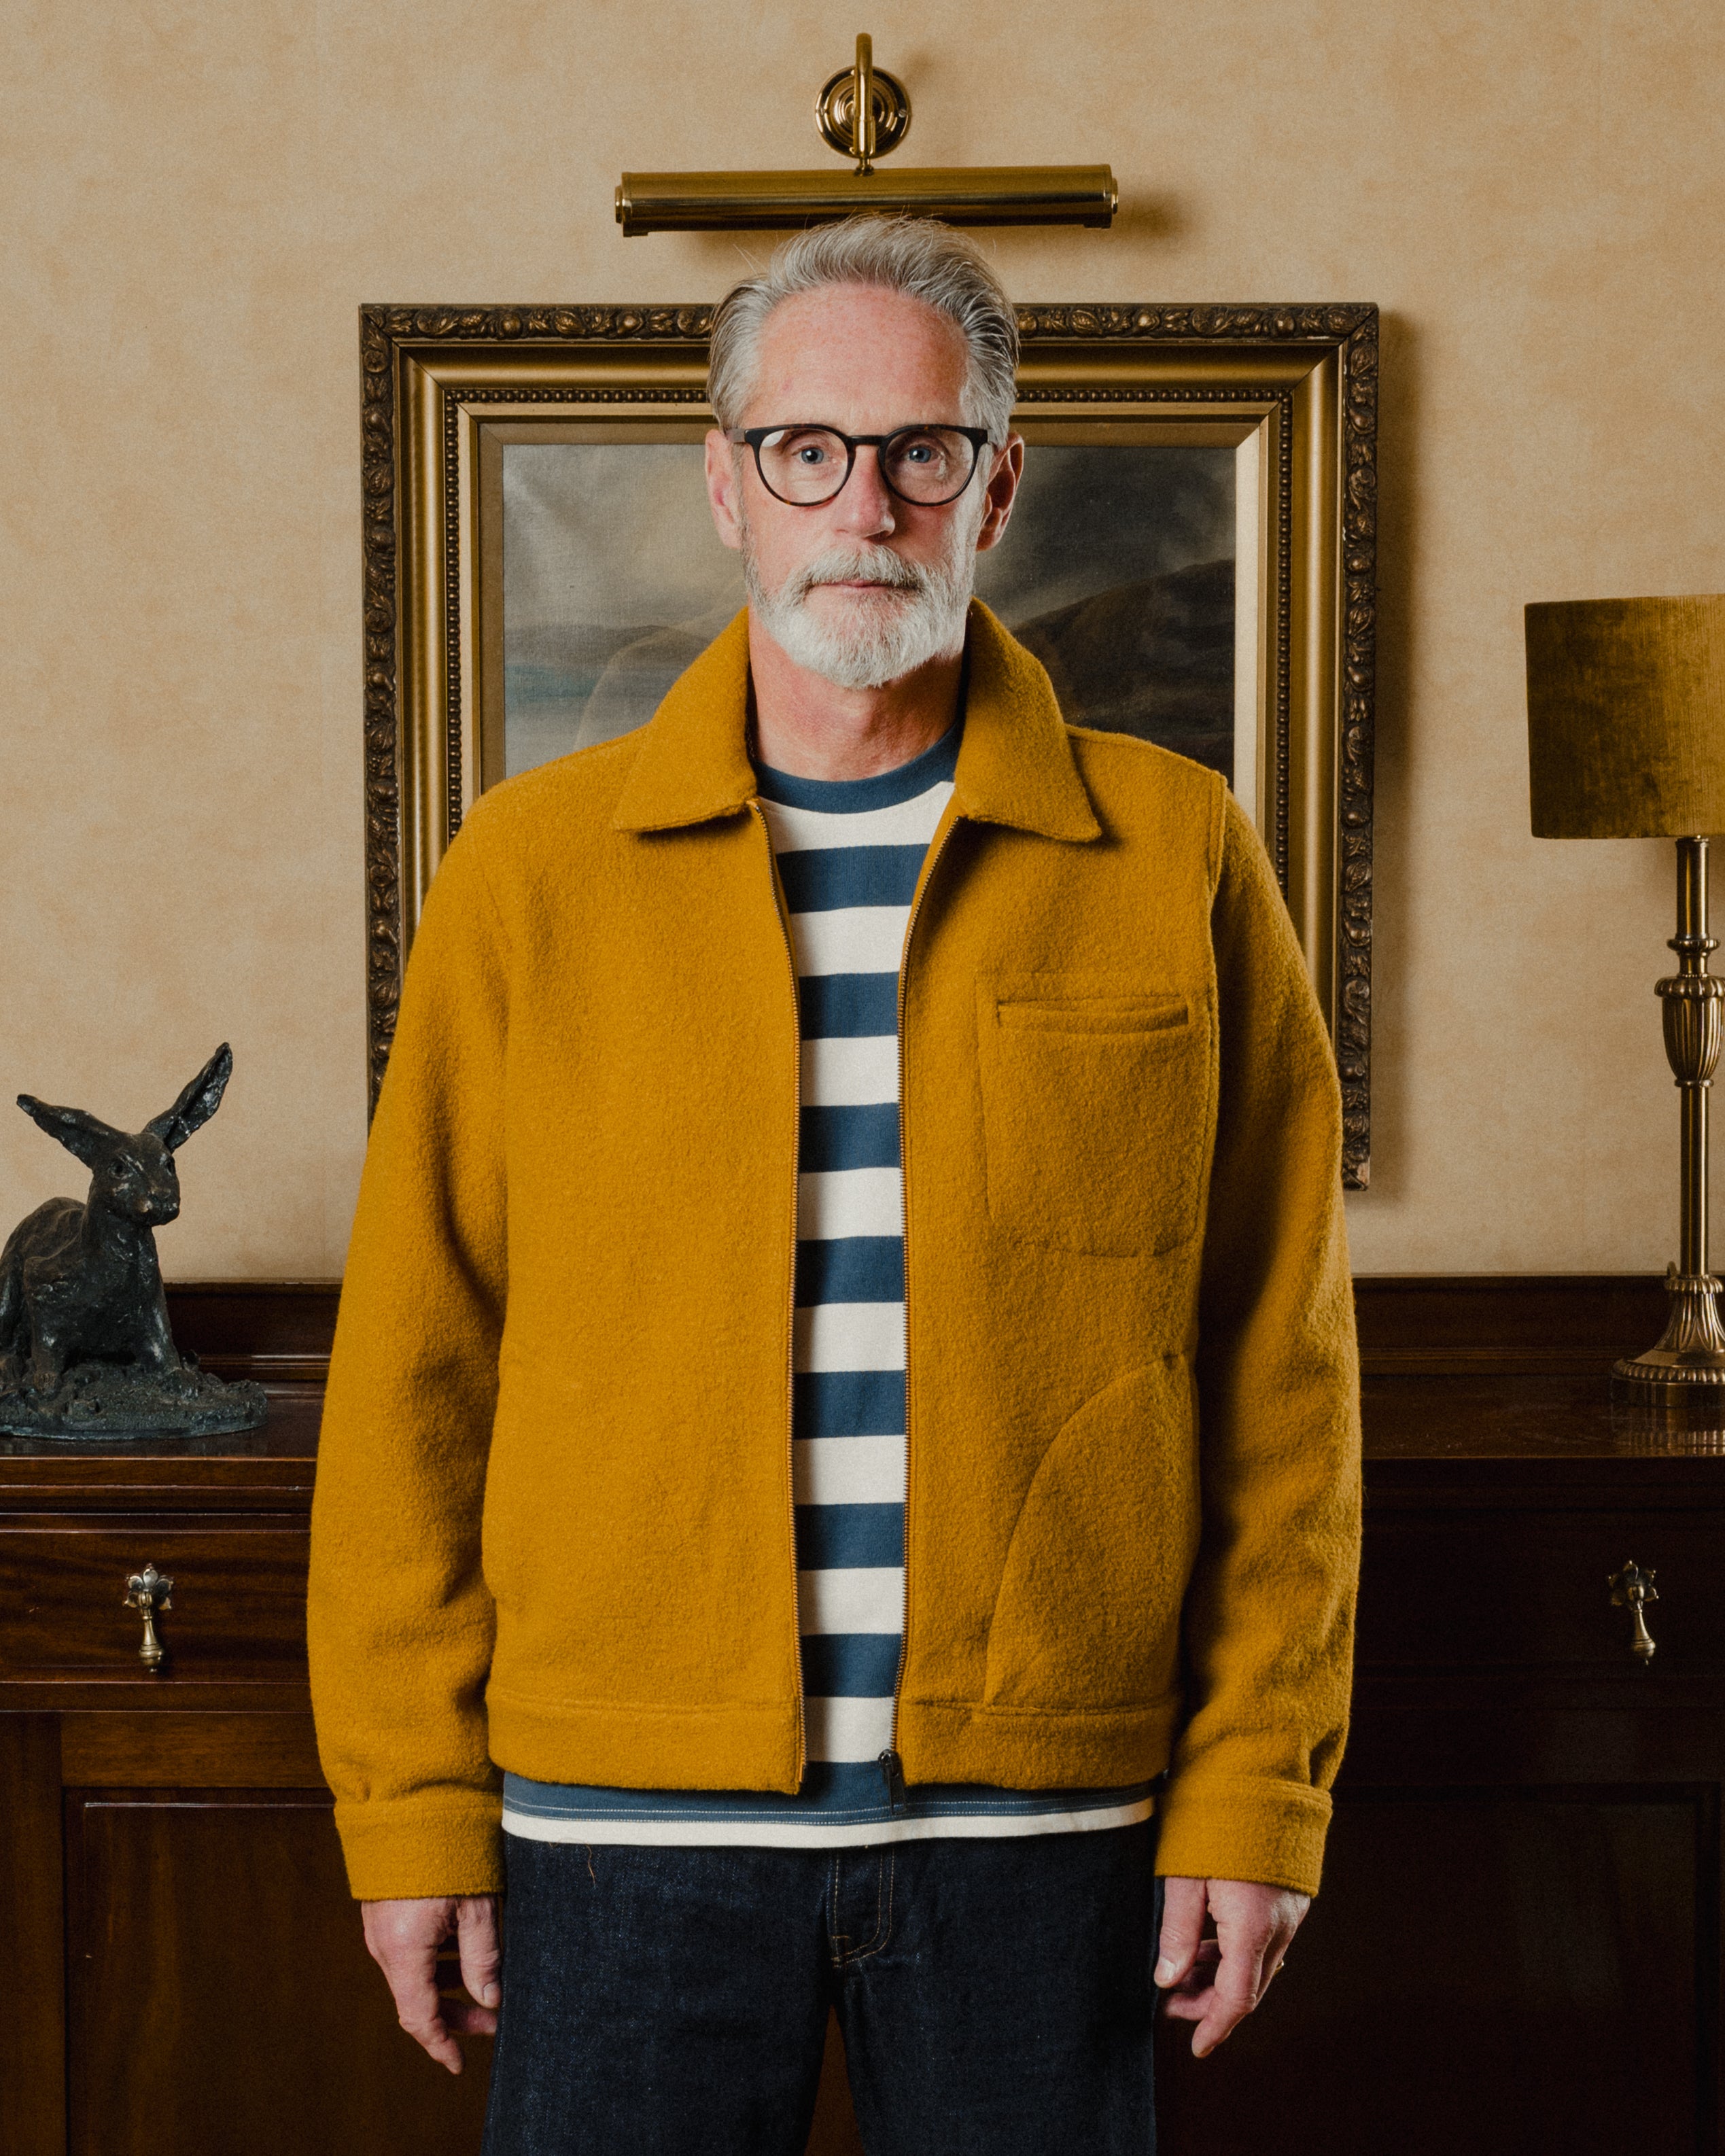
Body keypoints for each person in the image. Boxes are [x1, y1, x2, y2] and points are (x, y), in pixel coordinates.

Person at [308, 214, 1361, 2155]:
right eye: (807, 449)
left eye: (917, 451)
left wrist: (1252, 1791)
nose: (859, 502)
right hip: (616, 1847)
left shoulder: (1175, 854)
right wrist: (406, 1804)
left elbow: (1276, 1380)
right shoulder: (525, 875)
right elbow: (411, 1380)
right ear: (725, 483)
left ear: (996, 482)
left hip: (1046, 1842)